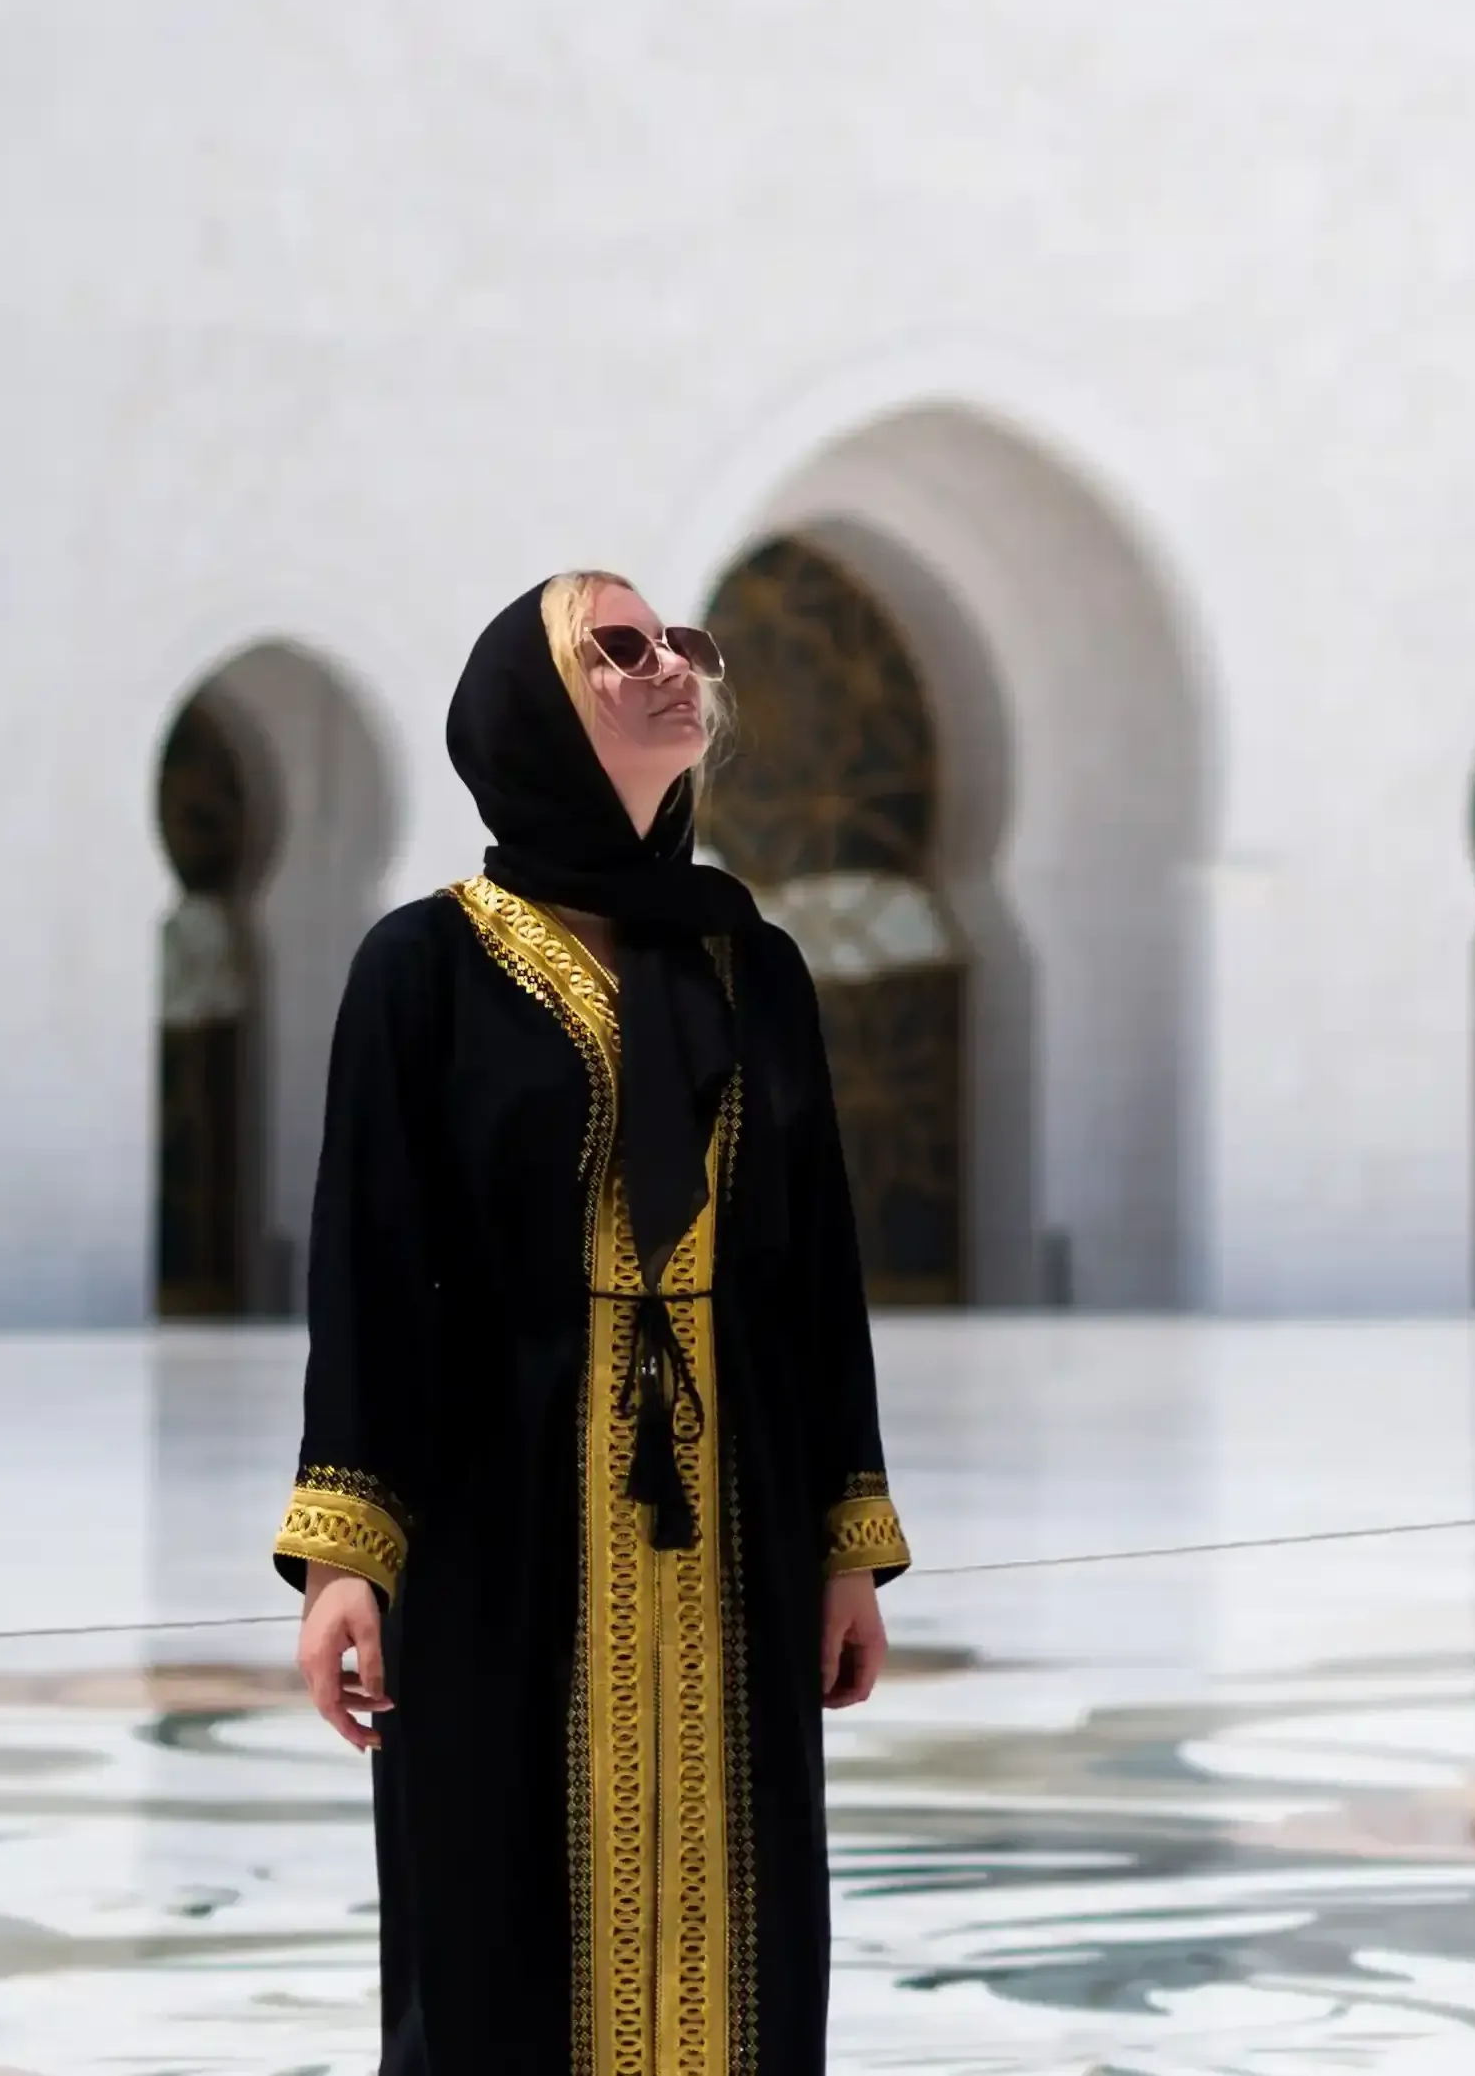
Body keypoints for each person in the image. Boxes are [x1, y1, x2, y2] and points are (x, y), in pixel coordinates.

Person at [277, 571, 907, 2075]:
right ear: (531, 712)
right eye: (618, 649)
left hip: (738, 1517)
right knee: (493, 1916)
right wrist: (345, 1555)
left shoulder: (754, 971)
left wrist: (845, 1542)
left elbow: (814, 1273)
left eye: (684, 643)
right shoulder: (425, 967)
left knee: (743, 1926)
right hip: (496, 1517)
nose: (673, 665)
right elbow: (372, 1267)